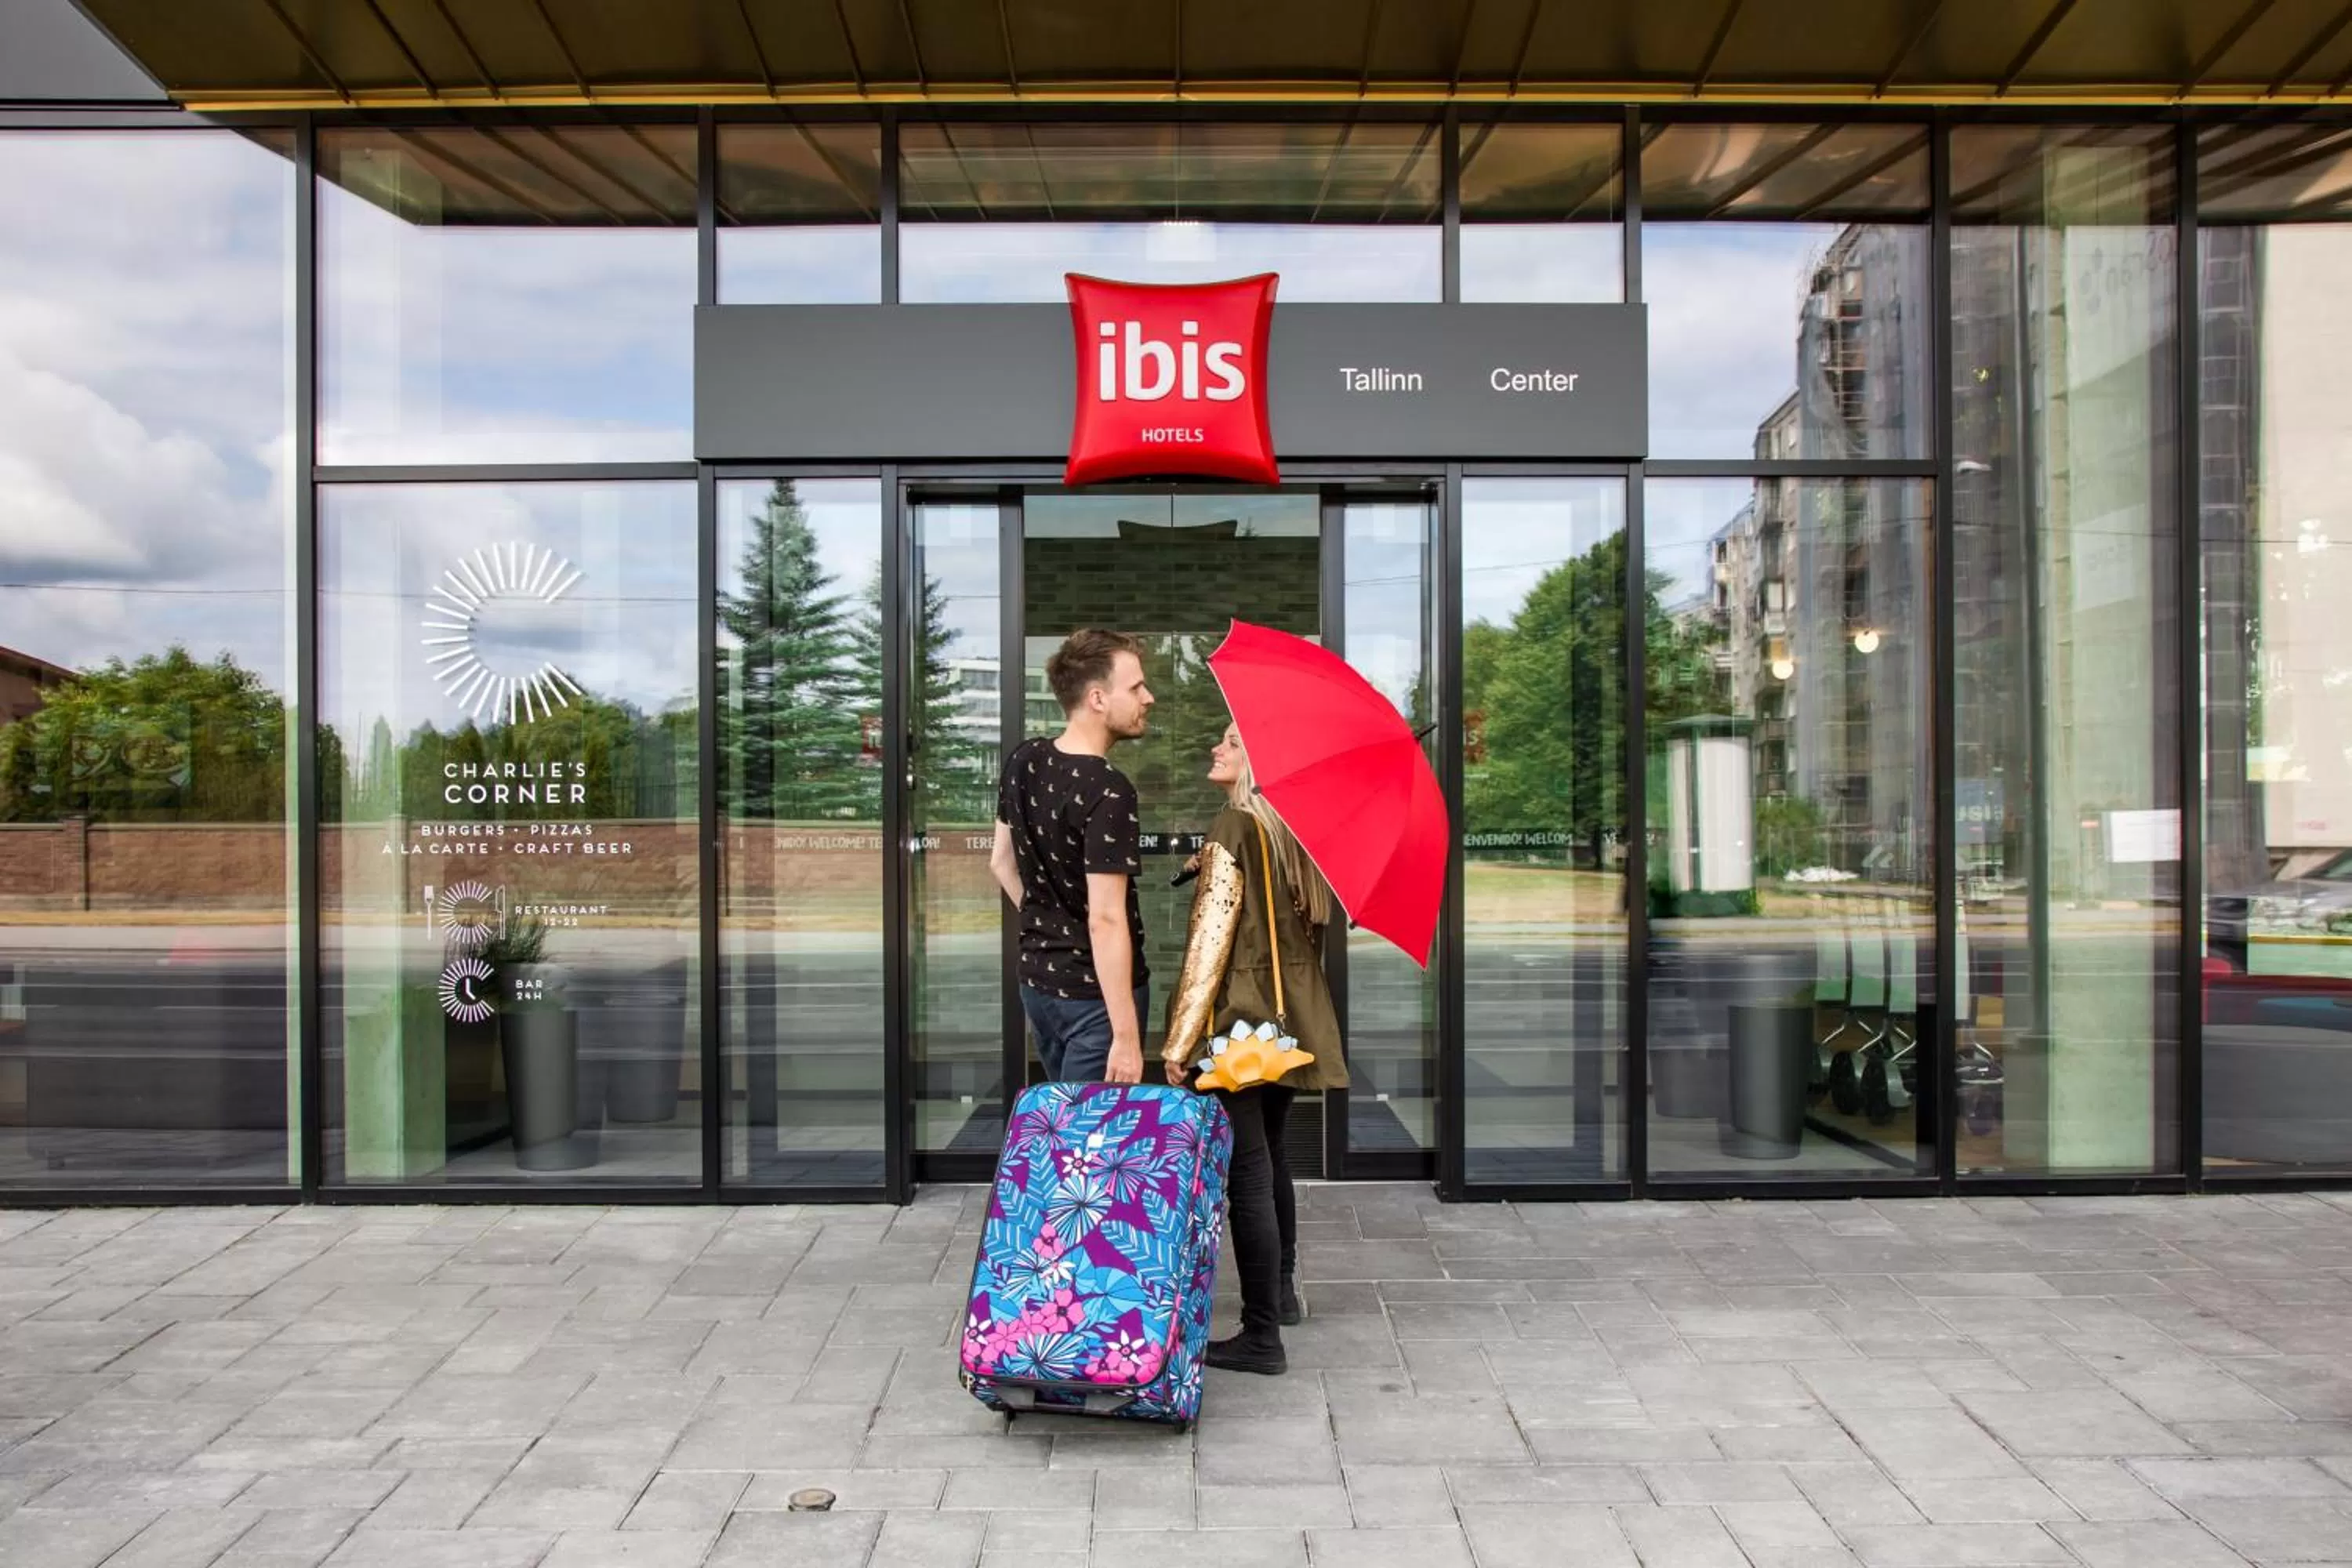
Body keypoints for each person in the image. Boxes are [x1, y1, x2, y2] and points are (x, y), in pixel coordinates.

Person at [1161, 721, 1348, 1376]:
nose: (1217, 749)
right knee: (1270, 1161)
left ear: (1260, 763)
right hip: (1284, 1020)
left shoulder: (1236, 827)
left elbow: (1209, 949)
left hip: (1238, 1027)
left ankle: (1261, 1335)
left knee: (1248, 1174)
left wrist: (1180, 1040)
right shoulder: (1290, 838)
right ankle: (1283, 1296)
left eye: (1232, 742)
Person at [989, 629, 1155, 1085]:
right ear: (1098, 698)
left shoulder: (1025, 759)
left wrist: (1047, 921)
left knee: (1068, 1128)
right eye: (1137, 687)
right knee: (1087, 1146)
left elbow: (1000, 862)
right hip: (1093, 1000)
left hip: (1039, 987)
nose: (1149, 697)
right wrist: (1125, 1036)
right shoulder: (1109, 789)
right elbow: (1106, 919)